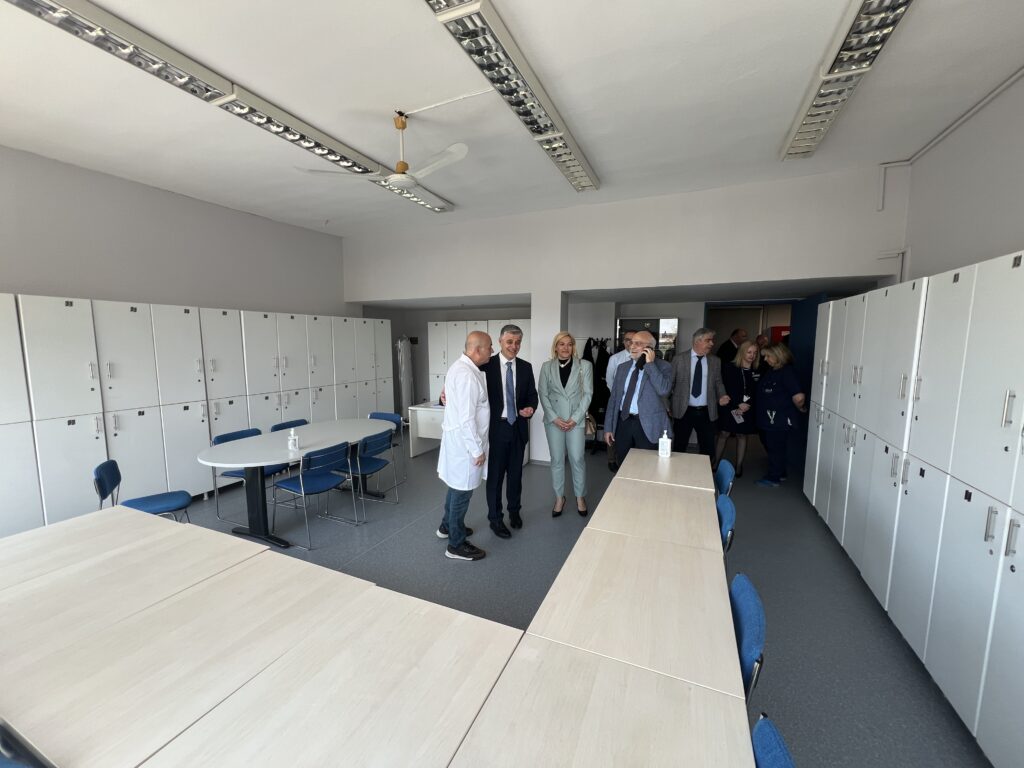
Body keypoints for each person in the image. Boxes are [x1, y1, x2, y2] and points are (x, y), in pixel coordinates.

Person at [436, 331, 492, 561]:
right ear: (477, 350)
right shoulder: (467, 375)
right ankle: (456, 545)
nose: (492, 351)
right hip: (465, 445)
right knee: (462, 491)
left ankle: (447, 526)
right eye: (489, 347)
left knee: (455, 486)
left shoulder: (460, 368)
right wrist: (477, 450)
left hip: (458, 442)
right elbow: (467, 419)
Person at [482, 324, 537, 538]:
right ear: (500, 342)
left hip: (518, 428)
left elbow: (532, 395)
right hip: (496, 429)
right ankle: (495, 519)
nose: (514, 346)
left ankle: (514, 512)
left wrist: (530, 408)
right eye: (509, 342)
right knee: (495, 478)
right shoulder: (486, 366)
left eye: (518, 342)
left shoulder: (525, 367)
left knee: (515, 476)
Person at [538, 332, 594, 517]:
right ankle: (559, 497)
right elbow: (543, 393)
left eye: (569, 344)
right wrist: (554, 417)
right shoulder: (547, 367)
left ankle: (580, 497)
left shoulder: (584, 366)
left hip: (575, 420)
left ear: (573, 347)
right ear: (555, 347)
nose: (565, 348)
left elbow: (588, 394)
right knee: (557, 460)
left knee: (577, 458)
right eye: (561, 344)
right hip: (553, 421)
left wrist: (575, 418)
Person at [604, 330, 673, 466]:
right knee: (623, 464)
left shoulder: (664, 367)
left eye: (638, 343)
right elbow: (614, 400)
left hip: (648, 425)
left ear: (650, 348)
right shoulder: (622, 368)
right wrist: (608, 427)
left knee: (648, 467)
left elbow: (664, 391)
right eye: (631, 342)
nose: (632, 346)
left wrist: (650, 365)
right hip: (623, 423)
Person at [670, 328, 729, 459]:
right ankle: (675, 470)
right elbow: (670, 383)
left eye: (712, 340)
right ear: (697, 341)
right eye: (708, 340)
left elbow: (718, 382)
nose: (712, 343)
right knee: (679, 446)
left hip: (706, 411)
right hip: (683, 410)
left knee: (707, 448)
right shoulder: (679, 359)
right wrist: (667, 405)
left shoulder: (715, 361)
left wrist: (722, 395)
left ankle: (706, 471)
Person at [755, 343, 807, 487]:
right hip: (768, 419)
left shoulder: (787, 372)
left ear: (778, 355)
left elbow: (799, 397)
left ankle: (774, 478)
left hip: (779, 419)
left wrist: (800, 408)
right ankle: (780, 472)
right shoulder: (772, 371)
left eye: (768, 356)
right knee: (773, 446)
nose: (765, 359)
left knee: (775, 448)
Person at [714, 340, 760, 478]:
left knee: (742, 435)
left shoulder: (757, 370)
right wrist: (736, 404)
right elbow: (725, 388)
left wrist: (746, 405)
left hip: (747, 408)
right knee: (724, 433)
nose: (752, 355)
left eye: (755, 353)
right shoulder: (729, 368)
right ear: (742, 352)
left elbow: (757, 392)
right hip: (730, 407)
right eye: (749, 352)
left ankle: (739, 465)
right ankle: (715, 461)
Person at [604, 329, 635, 471]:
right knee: (613, 428)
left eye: (634, 340)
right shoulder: (615, 359)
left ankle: (631, 460)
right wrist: (618, 397)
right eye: (628, 340)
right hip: (617, 401)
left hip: (635, 405)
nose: (631, 343)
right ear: (623, 342)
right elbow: (609, 380)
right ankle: (612, 459)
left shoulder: (644, 358)